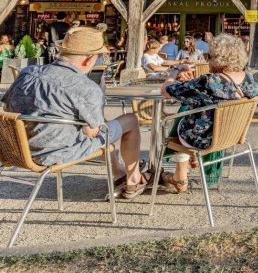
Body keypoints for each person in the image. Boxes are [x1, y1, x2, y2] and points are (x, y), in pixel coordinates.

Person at [1, 27, 150, 198]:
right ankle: (134, 179)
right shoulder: (87, 88)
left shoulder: (27, 73)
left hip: (17, 150)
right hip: (54, 154)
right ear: (89, 59)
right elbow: (94, 132)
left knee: (93, 125)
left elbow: (7, 109)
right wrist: (99, 97)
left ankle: (118, 173)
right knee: (129, 120)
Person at [160, 34, 258, 193]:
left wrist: (174, 71)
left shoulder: (209, 81)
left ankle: (179, 177)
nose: (207, 60)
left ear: (218, 59)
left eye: (209, 56)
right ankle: (181, 175)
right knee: (188, 111)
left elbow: (166, 91)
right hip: (231, 135)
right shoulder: (248, 78)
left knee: (183, 115)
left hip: (203, 139)